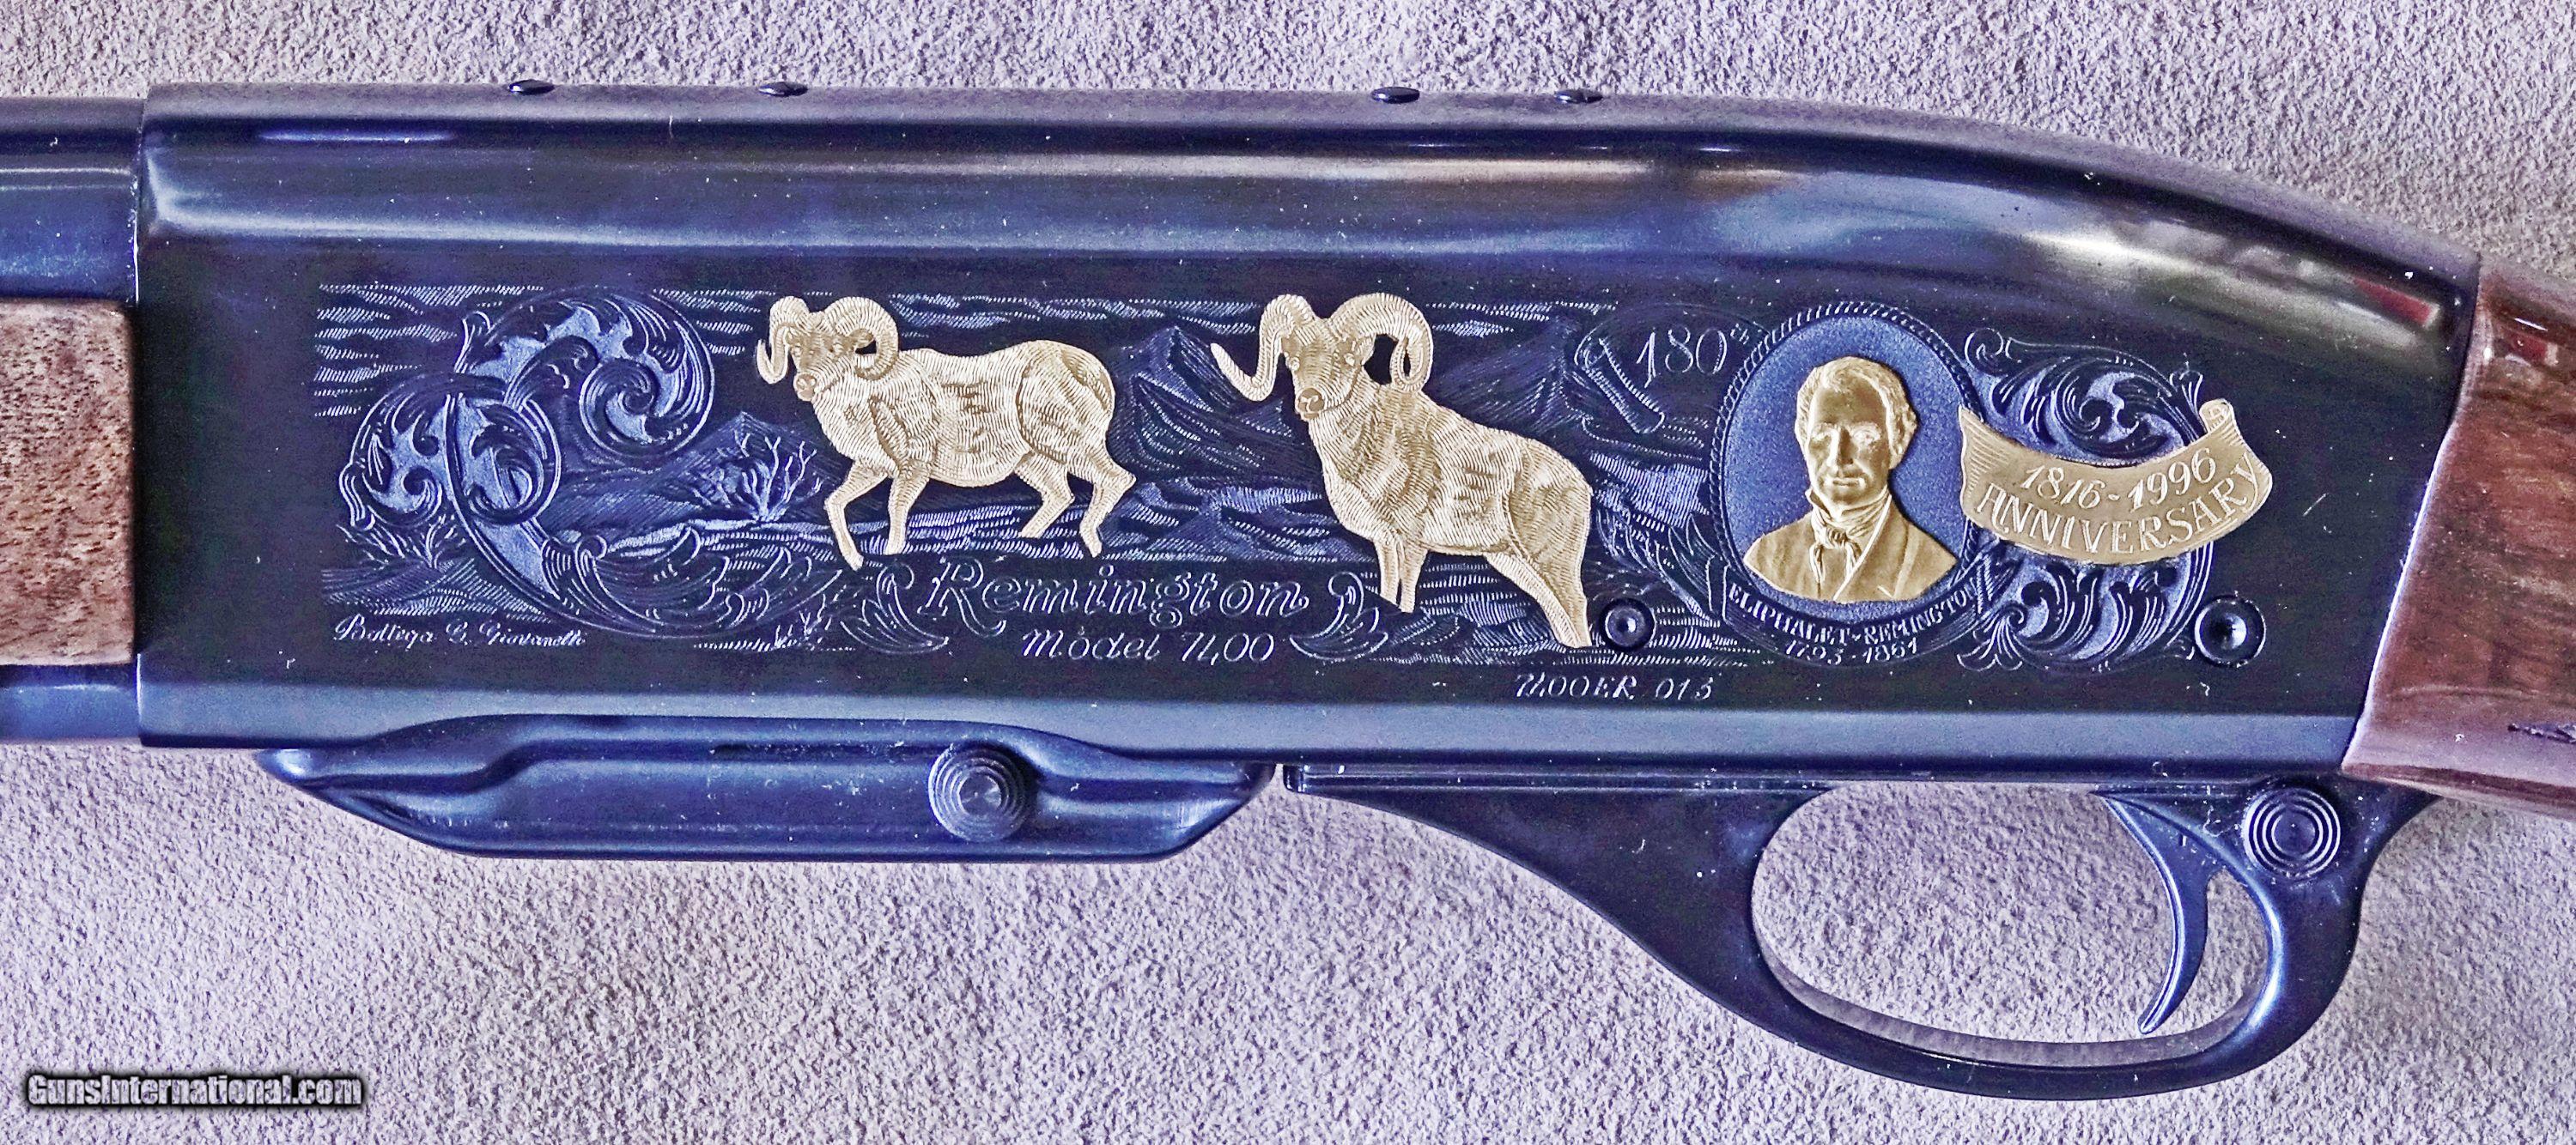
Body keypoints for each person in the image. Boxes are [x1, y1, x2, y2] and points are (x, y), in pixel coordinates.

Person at [1745, 355, 1956, 603]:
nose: (1839, 458)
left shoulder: (1930, 564)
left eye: (1863, 436)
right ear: (1804, 442)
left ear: (1896, 445)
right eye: (1823, 436)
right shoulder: (1765, 557)